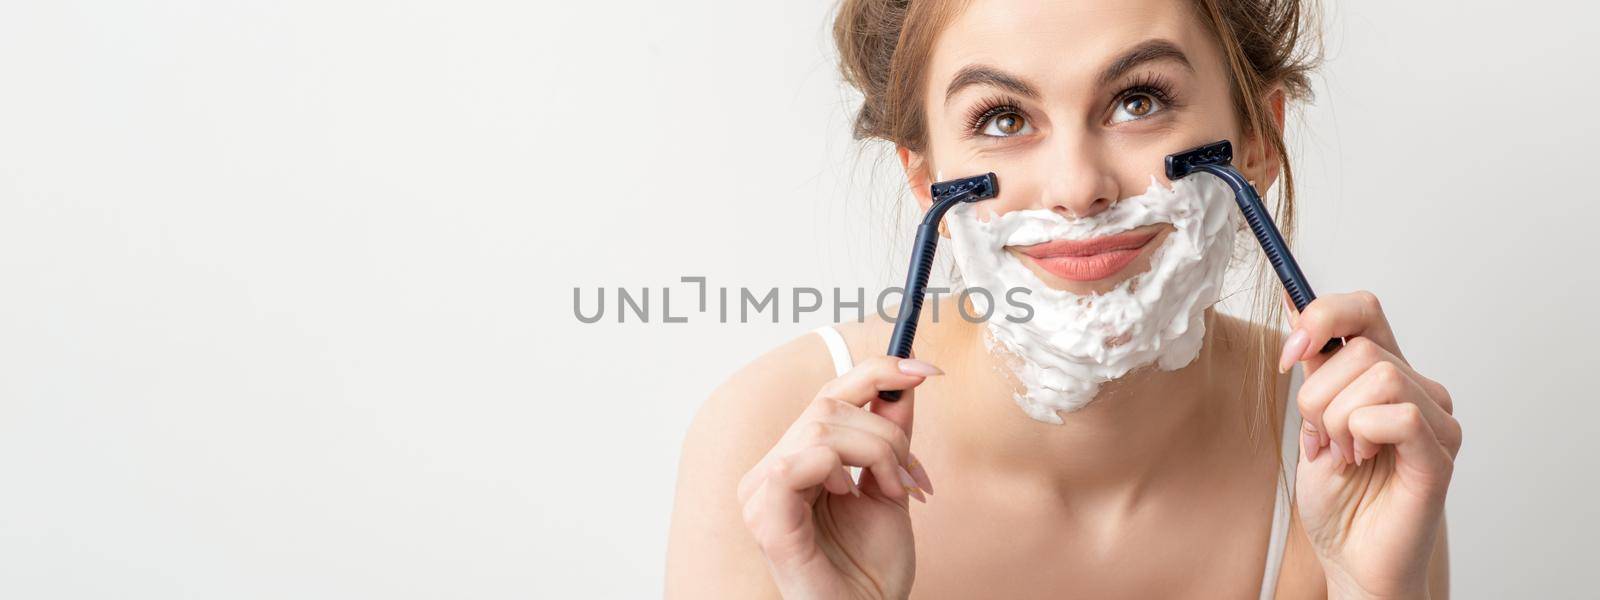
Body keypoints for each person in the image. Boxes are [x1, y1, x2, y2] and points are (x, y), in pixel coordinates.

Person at [665, 0, 1461, 597]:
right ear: (924, 181)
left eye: (1139, 100)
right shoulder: (772, 447)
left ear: (1256, 142)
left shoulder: (1348, 451)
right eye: (1004, 117)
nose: (1079, 188)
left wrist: (1371, 592)